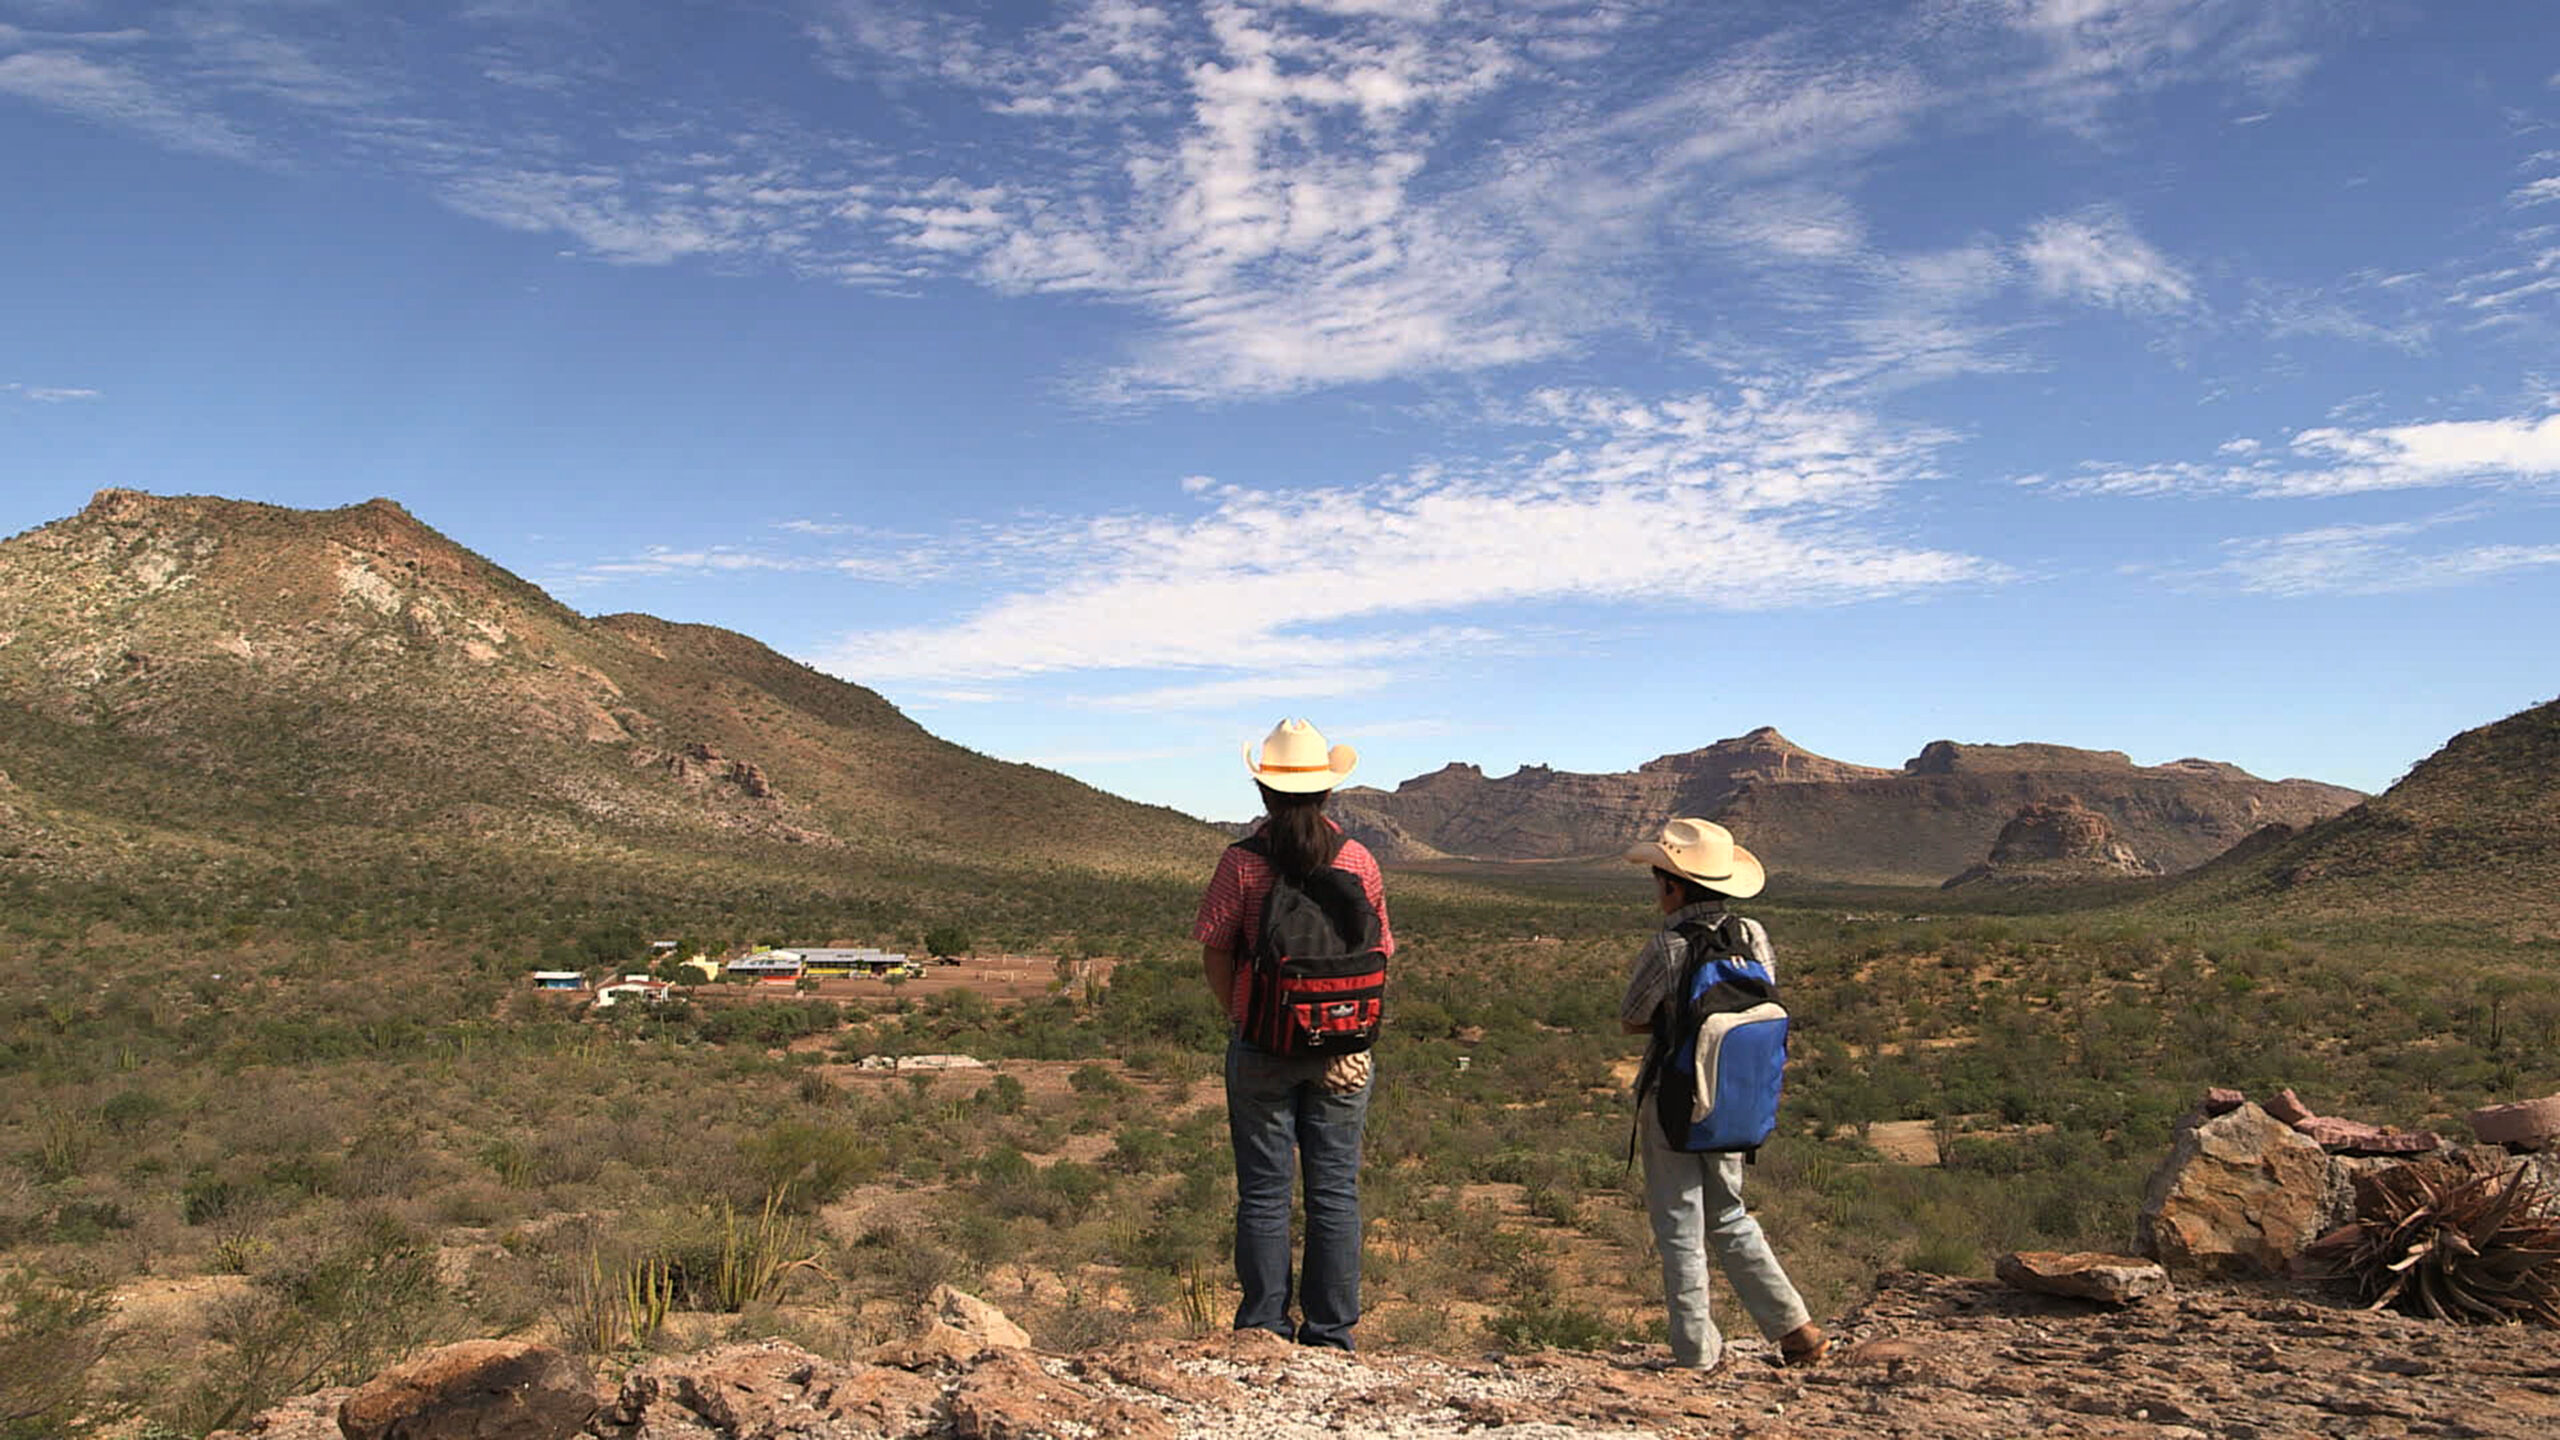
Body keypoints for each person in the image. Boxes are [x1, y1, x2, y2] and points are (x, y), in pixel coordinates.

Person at [1190, 718, 1393, 1350]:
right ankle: (1331, 1335)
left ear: (1263, 792)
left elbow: (1216, 951)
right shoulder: (1358, 859)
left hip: (1261, 1044)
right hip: (1343, 1048)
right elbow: (1383, 953)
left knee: (1264, 1192)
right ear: (1328, 793)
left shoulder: (1241, 864)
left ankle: (1264, 1329)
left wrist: (1240, 1015)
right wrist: (1352, 1037)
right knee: (1334, 1192)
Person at [1619, 816, 1826, 1372]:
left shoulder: (1668, 945)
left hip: (1674, 1099)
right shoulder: (1752, 934)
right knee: (1730, 1214)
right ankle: (1796, 1328)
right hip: (1734, 1098)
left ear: (1674, 884)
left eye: (1659, 879)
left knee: (1680, 1223)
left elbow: (1633, 1019)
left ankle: (1695, 1353)